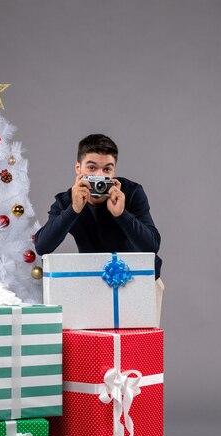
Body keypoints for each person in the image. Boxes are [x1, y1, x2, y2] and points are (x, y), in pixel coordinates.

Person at [34, 134, 164, 325]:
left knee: (137, 350)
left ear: (114, 171)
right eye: (92, 167)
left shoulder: (131, 192)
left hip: (140, 281)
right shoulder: (66, 200)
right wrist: (74, 210)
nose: (100, 176)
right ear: (78, 168)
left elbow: (152, 245)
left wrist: (122, 215)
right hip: (93, 282)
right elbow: (42, 245)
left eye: (107, 169)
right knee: (96, 347)